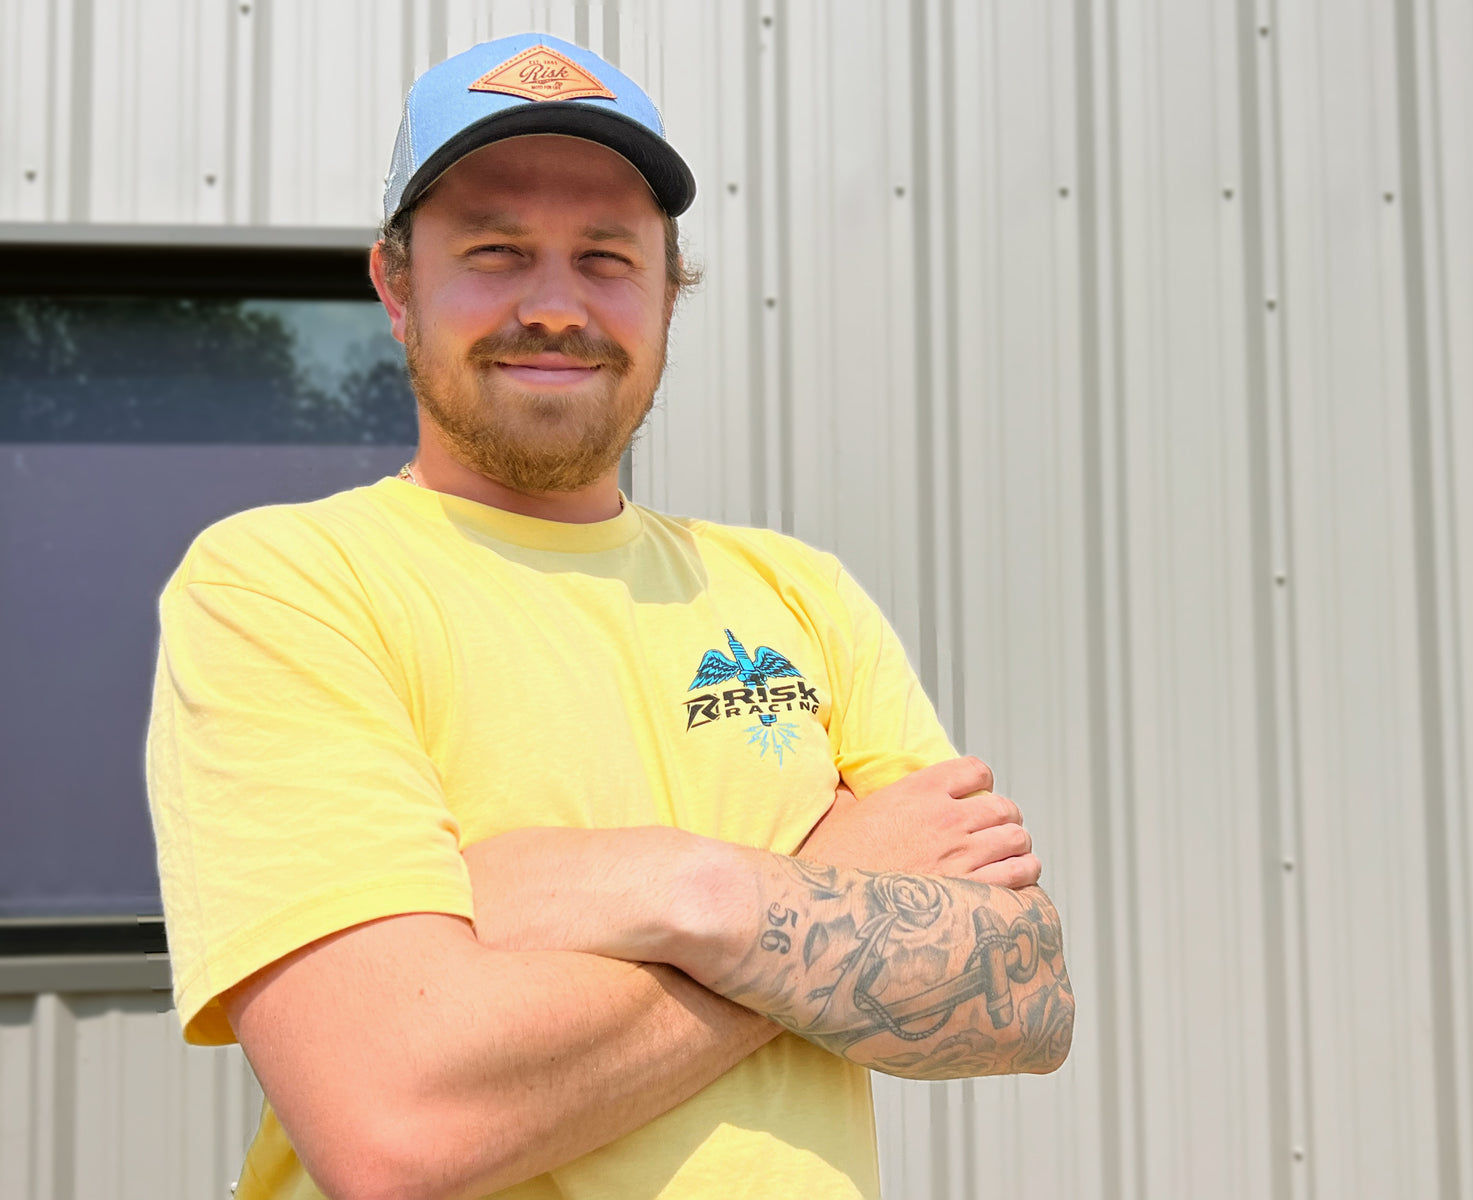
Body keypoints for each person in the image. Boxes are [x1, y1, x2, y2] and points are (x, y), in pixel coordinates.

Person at [146, 31, 1073, 1200]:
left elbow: (1022, 996)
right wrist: (780, 887)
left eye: (605, 256)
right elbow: (398, 1124)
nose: (553, 305)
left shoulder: (799, 593)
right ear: (395, 285)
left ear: (668, 290)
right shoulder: (288, 584)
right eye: (493, 250)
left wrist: (638, 896)